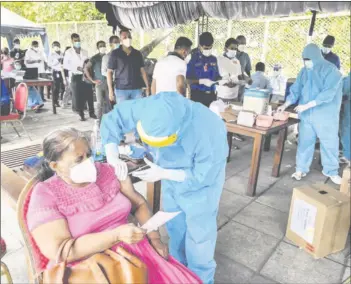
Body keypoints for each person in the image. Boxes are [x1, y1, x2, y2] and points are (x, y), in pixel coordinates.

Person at [26, 128, 201, 284]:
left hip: (135, 249)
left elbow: (138, 204)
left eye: (89, 155)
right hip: (90, 266)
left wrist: (155, 239)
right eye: (79, 159)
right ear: (55, 166)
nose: (88, 163)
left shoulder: (106, 171)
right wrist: (116, 235)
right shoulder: (45, 194)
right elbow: (62, 250)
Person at [100, 92, 228, 283]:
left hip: (202, 188)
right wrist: (112, 154)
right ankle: (178, 272)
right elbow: (114, 119)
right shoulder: (149, 108)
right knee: (175, 227)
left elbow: (205, 174)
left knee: (199, 238)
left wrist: (165, 173)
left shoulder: (209, 128)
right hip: (168, 175)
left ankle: (200, 278)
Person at [277, 43, 343, 185]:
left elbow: (329, 92)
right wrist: (285, 104)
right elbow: (296, 89)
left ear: (316, 57)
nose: (306, 61)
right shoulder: (304, 71)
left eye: (308, 58)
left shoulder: (332, 71)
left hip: (325, 115)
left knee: (329, 143)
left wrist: (308, 104)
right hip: (307, 115)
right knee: (304, 142)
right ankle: (301, 168)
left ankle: (331, 171)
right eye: (304, 59)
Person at [107, 29, 150, 104]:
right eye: (125, 37)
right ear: (120, 39)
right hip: (121, 89)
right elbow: (109, 72)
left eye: (129, 36)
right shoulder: (115, 53)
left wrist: (147, 86)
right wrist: (110, 90)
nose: (128, 39)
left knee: (137, 111)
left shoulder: (137, 53)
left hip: (136, 89)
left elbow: (142, 71)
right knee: (123, 112)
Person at [63, 33, 96, 121]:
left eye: (78, 40)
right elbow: (65, 65)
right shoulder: (69, 52)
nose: (77, 42)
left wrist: (86, 69)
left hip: (85, 75)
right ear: (72, 41)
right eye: (75, 40)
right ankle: (81, 113)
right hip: (76, 75)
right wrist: (76, 68)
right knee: (78, 96)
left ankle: (92, 112)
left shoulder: (85, 51)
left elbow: (88, 63)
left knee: (89, 94)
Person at [186, 32, 221, 107]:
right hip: (197, 95)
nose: (208, 50)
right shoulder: (193, 59)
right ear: (200, 46)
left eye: (210, 48)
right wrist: (201, 81)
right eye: (205, 48)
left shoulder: (214, 59)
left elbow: (217, 76)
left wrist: (222, 80)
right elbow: (187, 80)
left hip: (212, 95)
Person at [84, 41, 110, 123]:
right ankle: (99, 120)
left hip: (109, 82)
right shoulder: (95, 58)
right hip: (99, 83)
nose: (102, 47)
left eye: (104, 45)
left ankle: (109, 119)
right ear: (98, 48)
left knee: (109, 102)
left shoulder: (109, 56)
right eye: (100, 46)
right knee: (99, 103)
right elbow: (86, 68)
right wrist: (92, 80)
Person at [216, 38, 246, 103]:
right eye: (232, 48)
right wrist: (225, 83)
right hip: (222, 95)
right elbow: (214, 77)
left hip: (234, 96)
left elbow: (239, 76)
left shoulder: (236, 61)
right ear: (226, 48)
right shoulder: (219, 60)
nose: (234, 50)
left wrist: (241, 81)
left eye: (235, 49)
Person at [48, 41, 65, 107]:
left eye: (57, 45)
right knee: (56, 87)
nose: (56, 47)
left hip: (62, 72)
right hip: (56, 72)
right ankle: (55, 101)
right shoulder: (51, 54)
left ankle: (63, 100)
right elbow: (49, 64)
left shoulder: (62, 53)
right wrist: (57, 61)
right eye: (55, 45)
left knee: (63, 87)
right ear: (53, 47)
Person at [236, 35, 252, 102]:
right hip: (231, 86)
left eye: (244, 44)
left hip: (241, 87)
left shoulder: (246, 56)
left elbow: (248, 71)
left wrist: (248, 80)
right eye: (241, 43)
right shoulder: (230, 54)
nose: (243, 45)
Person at [340, 72, 350, 164]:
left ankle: (347, 156)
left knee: (346, 132)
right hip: (347, 109)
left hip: (348, 111)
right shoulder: (345, 80)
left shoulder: (346, 81)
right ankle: (347, 155)